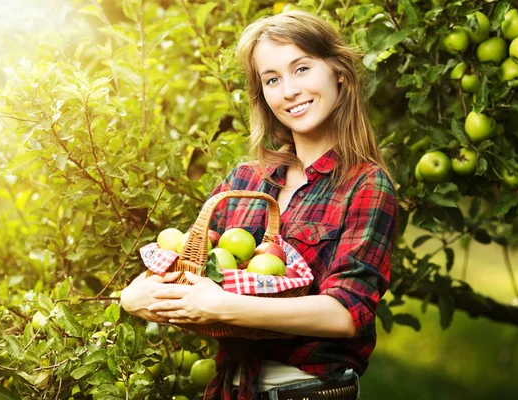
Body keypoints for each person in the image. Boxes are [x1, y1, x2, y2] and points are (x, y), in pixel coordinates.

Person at [120, 10, 398, 400]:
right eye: (272, 79)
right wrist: (135, 293)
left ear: (338, 71)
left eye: (301, 69)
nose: (288, 91)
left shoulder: (365, 184)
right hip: (230, 389)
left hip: (306, 391)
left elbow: (345, 314)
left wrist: (222, 307)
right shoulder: (246, 180)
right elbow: (189, 260)